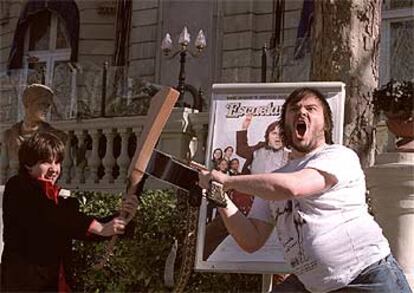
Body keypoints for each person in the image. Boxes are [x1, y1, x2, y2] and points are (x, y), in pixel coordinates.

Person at [199, 87, 411, 292]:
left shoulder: (339, 156)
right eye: (294, 109)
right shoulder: (274, 181)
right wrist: (221, 197)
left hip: (367, 279)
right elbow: (251, 240)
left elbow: (294, 187)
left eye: (311, 108)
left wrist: (228, 180)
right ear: (285, 126)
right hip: (313, 285)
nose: (301, 111)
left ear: (326, 124)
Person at [1, 132, 138, 292]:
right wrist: (101, 227)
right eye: (46, 162)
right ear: (28, 164)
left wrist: (124, 219)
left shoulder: (57, 202)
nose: (54, 169)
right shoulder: (18, 188)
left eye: (57, 162)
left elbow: (78, 228)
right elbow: (54, 215)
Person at [4, 84, 68, 166]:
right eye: (41, 104)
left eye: (47, 106)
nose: (46, 109)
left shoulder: (56, 136)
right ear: (27, 105)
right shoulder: (9, 135)